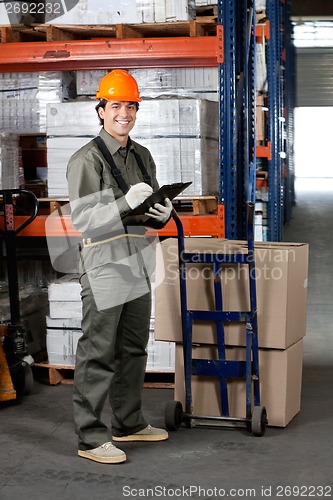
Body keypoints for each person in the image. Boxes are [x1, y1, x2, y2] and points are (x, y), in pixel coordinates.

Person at [66, 69, 173, 464]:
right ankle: (91, 438)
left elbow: (145, 214)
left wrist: (161, 213)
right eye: (116, 106)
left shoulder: (142, 155)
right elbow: (84, 221)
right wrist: (127, 202)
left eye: (130, 106)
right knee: (98, 351)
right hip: (103, 266)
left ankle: (128, 424)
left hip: (137, 264)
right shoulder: (86, 160)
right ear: (100, 110)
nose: (124, 113)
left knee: (133, 348)